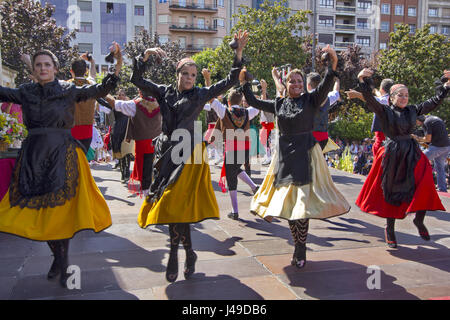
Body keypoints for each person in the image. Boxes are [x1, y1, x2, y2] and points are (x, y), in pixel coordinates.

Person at [131, 30, 249, 282]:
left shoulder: (199, 94)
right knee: (177, 208)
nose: (189, 78)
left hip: (189, 155)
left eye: (193, 75)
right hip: (166, 152)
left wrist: (237, 54)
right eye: (185, 73)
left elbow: (228, 81)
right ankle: (189, 252)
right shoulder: (163, 92)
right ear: (177, 74)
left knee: (175, 204)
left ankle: (174, 254)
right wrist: (145, 57)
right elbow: (136, 78)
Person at [0, 45, 122, 287]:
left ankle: (63, 260)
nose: (43, 68)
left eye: (47, 64)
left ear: (55, 69)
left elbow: (102, 88)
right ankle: (59, 257)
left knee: (60, 211)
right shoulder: (25, 91)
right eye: (38, 65)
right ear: (33, 70)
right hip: (34, 156)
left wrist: (117, 62)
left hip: (63, 154)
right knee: (43, 211)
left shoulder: (69, 89)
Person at [241, 45, 350, 269]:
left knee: (301, 204)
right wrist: (243, 82)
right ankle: (298, 242)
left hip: (307, 155)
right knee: (290, 205)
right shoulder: (279, 103)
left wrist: (333, 64)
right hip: (285, 157)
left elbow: (327, 83)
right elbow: (253, 102)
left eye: (300, 81)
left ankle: (301, 246)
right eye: (292, 81)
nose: (297, 84)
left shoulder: (312, 100)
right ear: (286, 84)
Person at [355, 68, 450, 248]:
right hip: (393, 153)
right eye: (400, 95)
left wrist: (446, 86)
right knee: (391, 190)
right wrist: (362, 79)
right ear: (391, 97)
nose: (404, 98)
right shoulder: (384, 111)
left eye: (406, 95)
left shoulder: (413, 110)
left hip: (412, 152)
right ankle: (390, 229)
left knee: (424, 182)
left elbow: (433, 102)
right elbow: (369, 99)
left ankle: (419, 220)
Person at [205, 88, 260, 220]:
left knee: (231, 177)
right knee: (235, 169)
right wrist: (259, 93)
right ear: (241, 101)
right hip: (246, 148)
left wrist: (207, 79)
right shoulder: (248, 112)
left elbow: (211, 99)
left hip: (232, 147)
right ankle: (254, 187)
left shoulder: (224, 111)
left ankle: (235, 211)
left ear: (228, 101)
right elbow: (258, 107)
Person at [105, 90, 162, 196]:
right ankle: (152, 190)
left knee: (142, 168)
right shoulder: (161, 102)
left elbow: (114, 103)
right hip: (157, 142)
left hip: (142, 143)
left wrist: (103, 90)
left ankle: (146, 191)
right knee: (154, 167)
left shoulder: (134, 104)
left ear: (140, 92)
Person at [346, 78, 394, 155]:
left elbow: (371, 100)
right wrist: (375, 91)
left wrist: (356, 94)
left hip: (383, 139)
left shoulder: (385, 100)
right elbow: (379, 97)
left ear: (381, 89)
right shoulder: (391, 99)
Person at [68, 53, 99, 154]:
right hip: (87, 131)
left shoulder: (65, 85)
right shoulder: (91, 85)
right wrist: (92, 62)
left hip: (70, 130)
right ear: (86, 70)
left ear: (71, 71)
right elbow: (93, 75)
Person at [413, 115, 450, 192]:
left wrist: (416, 138)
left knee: (418, 160)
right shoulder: (434, 118)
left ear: (420, 119)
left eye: (417, 122)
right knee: (440, 168)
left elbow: (428, 139)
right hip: (446, 146)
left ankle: (416, 184)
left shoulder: (427, 122)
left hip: (437, 147)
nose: (417, 124)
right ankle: (442, 189)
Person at [308, 73, 341, 150]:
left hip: (309, 137)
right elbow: (336, 92)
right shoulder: (327, 97)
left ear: (308, 85)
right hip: (323, 137)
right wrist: (337, 81)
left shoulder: (305, 97)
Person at [110, 89, 135, 183]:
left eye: (123, 94)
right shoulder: (115, 104)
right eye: (119, 95)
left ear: (125, 96)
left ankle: (127, 171)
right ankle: (122, 172)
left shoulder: (130, 104)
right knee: (120, 153)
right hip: (117, 130)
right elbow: (104, 102)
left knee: (127, 151)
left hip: (127, 130)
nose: (121, 96)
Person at [258, 79, 275, 166]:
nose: (261, 99)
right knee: (264, 142)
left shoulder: (267, 104)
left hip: (268, 125)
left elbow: (263, 99)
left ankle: (269, 158)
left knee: (267, 143)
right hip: (265, 125)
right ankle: (267, 157)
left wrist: (264, 89)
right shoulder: (265, 103)